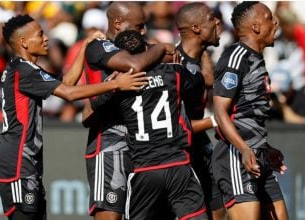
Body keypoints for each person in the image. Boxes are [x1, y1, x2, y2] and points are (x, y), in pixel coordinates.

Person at [0, 14, 148, 220]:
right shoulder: (23, 70)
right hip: (17, 159)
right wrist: (116, 84)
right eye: (40, 34)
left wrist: (83, 48)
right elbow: (69, 93)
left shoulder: (25, 69)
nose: (46, 38)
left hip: (23, 160)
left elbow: (68, 83)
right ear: (24, 42)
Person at [81, 2, 175, 220]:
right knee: (111, 214)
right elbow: (135, 64)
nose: (143, 32)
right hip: (109, 141)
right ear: (117, 23)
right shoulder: (100, 47)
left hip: (141, 144)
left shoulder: (140, 48)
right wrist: (160, 48)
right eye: (139, 26)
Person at [113, 29, 207, 220]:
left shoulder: (117, 85)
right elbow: (200, 81)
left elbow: (91, 108)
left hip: (144, 169)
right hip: (178, 164)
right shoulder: (174, 72)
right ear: (147, 48)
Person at [212, 2, 289, 220]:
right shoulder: (235, 57)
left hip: (258, 154)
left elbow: (247, 113)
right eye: (268, 18)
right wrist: (244, 149)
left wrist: (266, 147)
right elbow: (220, 112)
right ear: (255, 26)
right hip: (236, 156)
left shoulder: (256, 58)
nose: (275, 22)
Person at [175, 3, 226, 220]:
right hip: (178, 153)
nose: (218, 22)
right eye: (211, 18)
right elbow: (176, 125)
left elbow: (209, 80)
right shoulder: (175, 66)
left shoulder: (196, 60)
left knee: (219, 209)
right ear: (196, 28)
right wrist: (218, 121)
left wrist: (203, 47)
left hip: (200, 145)